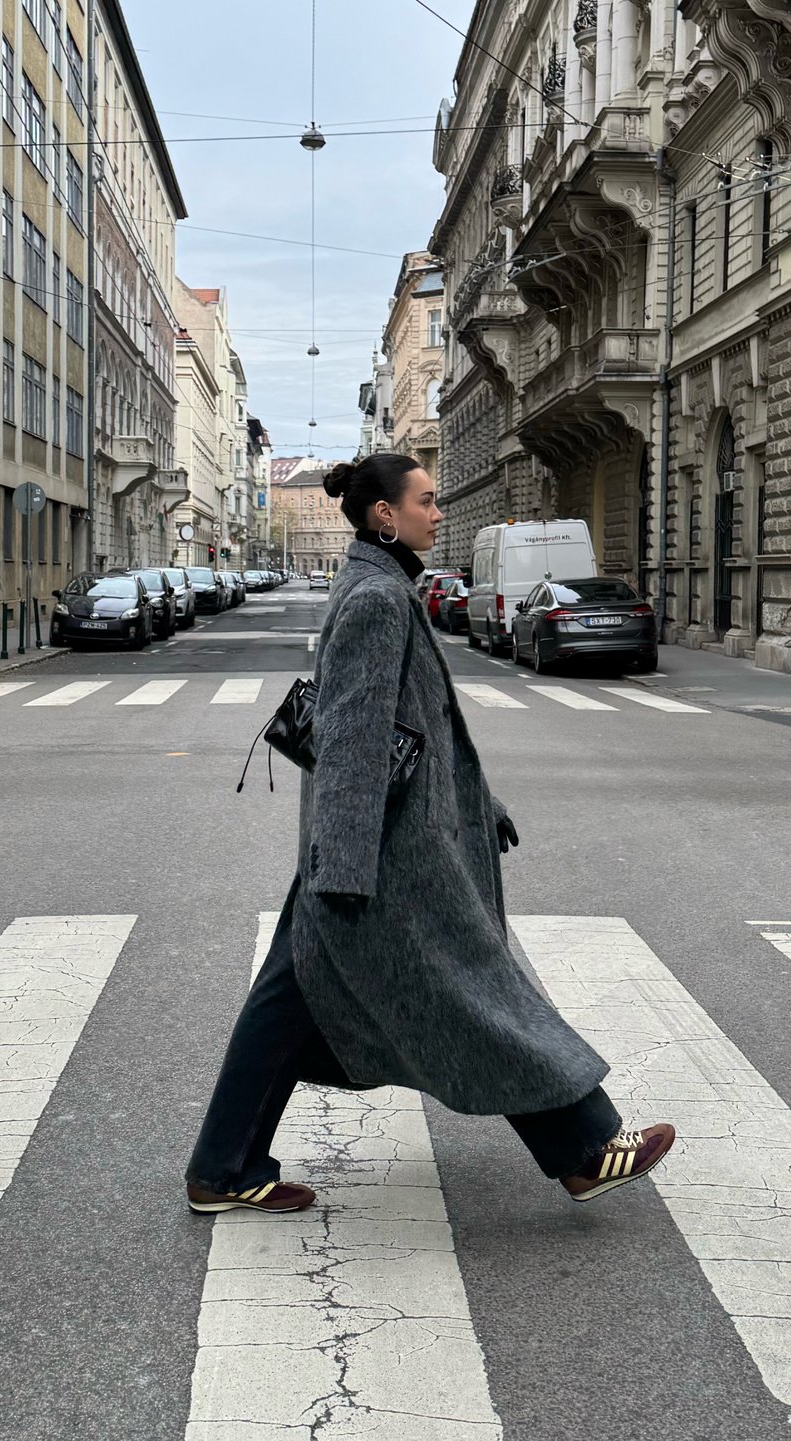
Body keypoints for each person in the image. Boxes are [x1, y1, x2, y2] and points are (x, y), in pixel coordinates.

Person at [185, 453, 675, 1215]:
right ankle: (584, 1149)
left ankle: (221, 1169)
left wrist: (478, 801)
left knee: (291, 1002)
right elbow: (354, 735)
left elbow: (417, 726)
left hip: (367, 840)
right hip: (386, 851)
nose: (438, 512)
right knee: (471, 992)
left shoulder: (380, 584)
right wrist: (344, 865)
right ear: (385, 514)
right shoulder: (378, 597)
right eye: (426, 500)